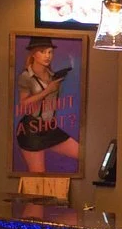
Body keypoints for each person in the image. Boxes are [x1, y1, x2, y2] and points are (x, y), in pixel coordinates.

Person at [15, 36, 79, 172]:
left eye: (50, 52)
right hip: (31, 129)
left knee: (83, 154)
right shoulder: (26, 77)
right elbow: (23, 105)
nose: (47, 56)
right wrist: (46, 91)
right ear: (33, 53)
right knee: (38, 176)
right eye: (43, 52)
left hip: (49, 127)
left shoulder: (52, 75)